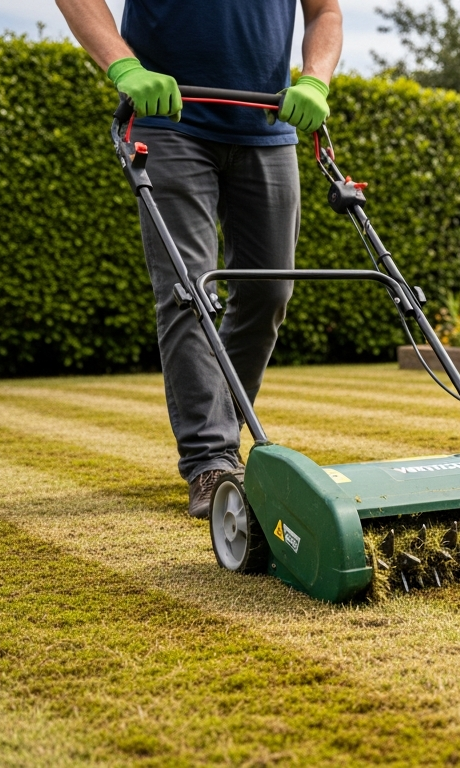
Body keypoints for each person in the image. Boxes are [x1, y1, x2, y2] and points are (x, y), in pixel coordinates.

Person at [56, 0, 343, 517]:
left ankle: (221, 427)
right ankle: (210, 459)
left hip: (266, 122)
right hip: (170, 121)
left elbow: (324, 10)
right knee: (190, 291)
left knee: (269, 291)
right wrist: (126, 68)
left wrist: (316, 80)